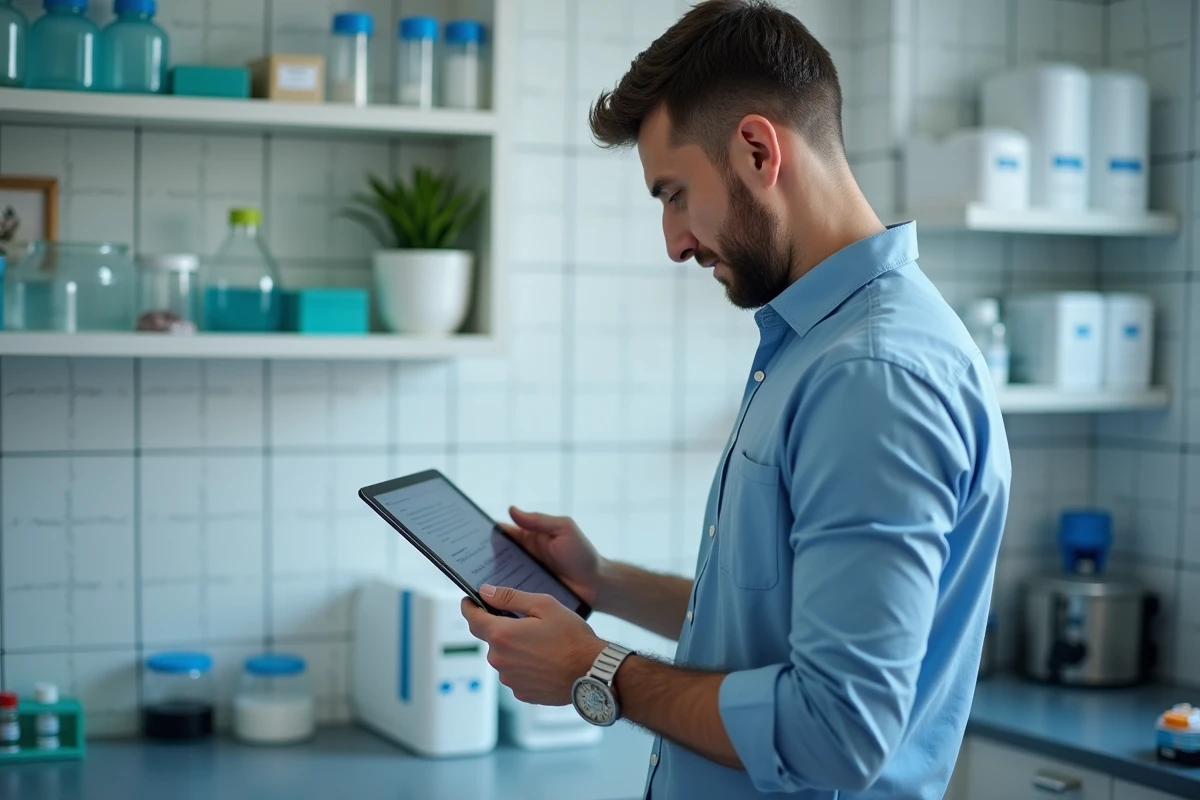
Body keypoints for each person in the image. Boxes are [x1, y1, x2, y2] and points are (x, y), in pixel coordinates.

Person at [460, 1, 1011, 797]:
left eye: (675, 193)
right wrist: (602, 582)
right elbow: (778, 630)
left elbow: (837, 730)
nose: (674, 241)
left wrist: (598, 670)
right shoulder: (816, 347)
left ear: (757, 149)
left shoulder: (873, 376)